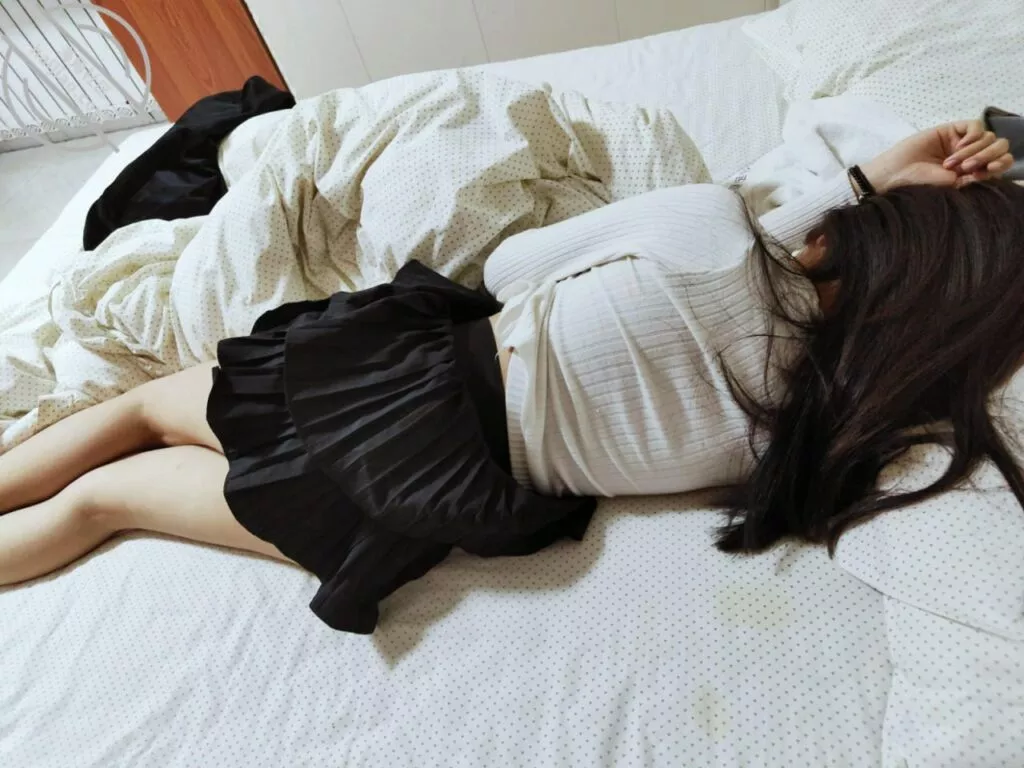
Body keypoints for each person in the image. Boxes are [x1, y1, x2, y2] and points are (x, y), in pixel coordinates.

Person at [0, 120, 1017, 633]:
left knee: (139, 412)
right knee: (106, 505)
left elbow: (514, 270)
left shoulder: (707, 229)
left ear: (878, 235)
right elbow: (770, 303)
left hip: (393, 382)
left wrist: (861, 184)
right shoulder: (803, 437)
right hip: (429, 494)